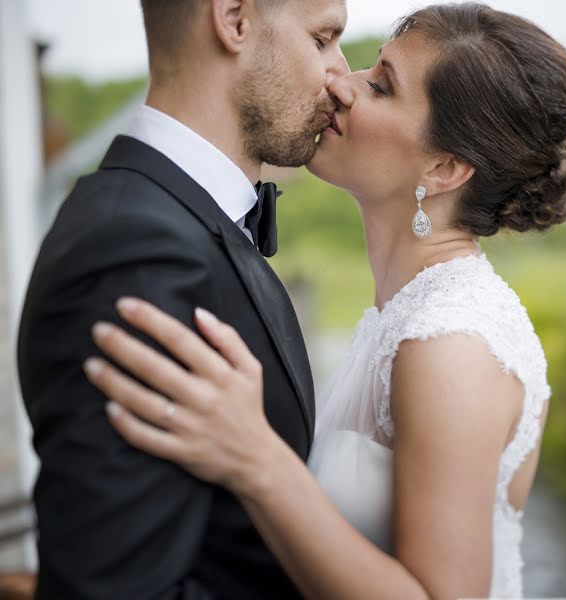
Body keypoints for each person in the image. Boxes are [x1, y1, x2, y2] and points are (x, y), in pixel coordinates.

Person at [84, 3, 566, 598]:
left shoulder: (450, 344)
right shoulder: (402, 316)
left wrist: (256, 460)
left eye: (380, 86)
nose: (340, 84)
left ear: (446, 166)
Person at [17, 0, 349, 597]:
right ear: (235, 20)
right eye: (322, 38)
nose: (341, 74)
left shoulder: (176, 221)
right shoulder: (133, 252)